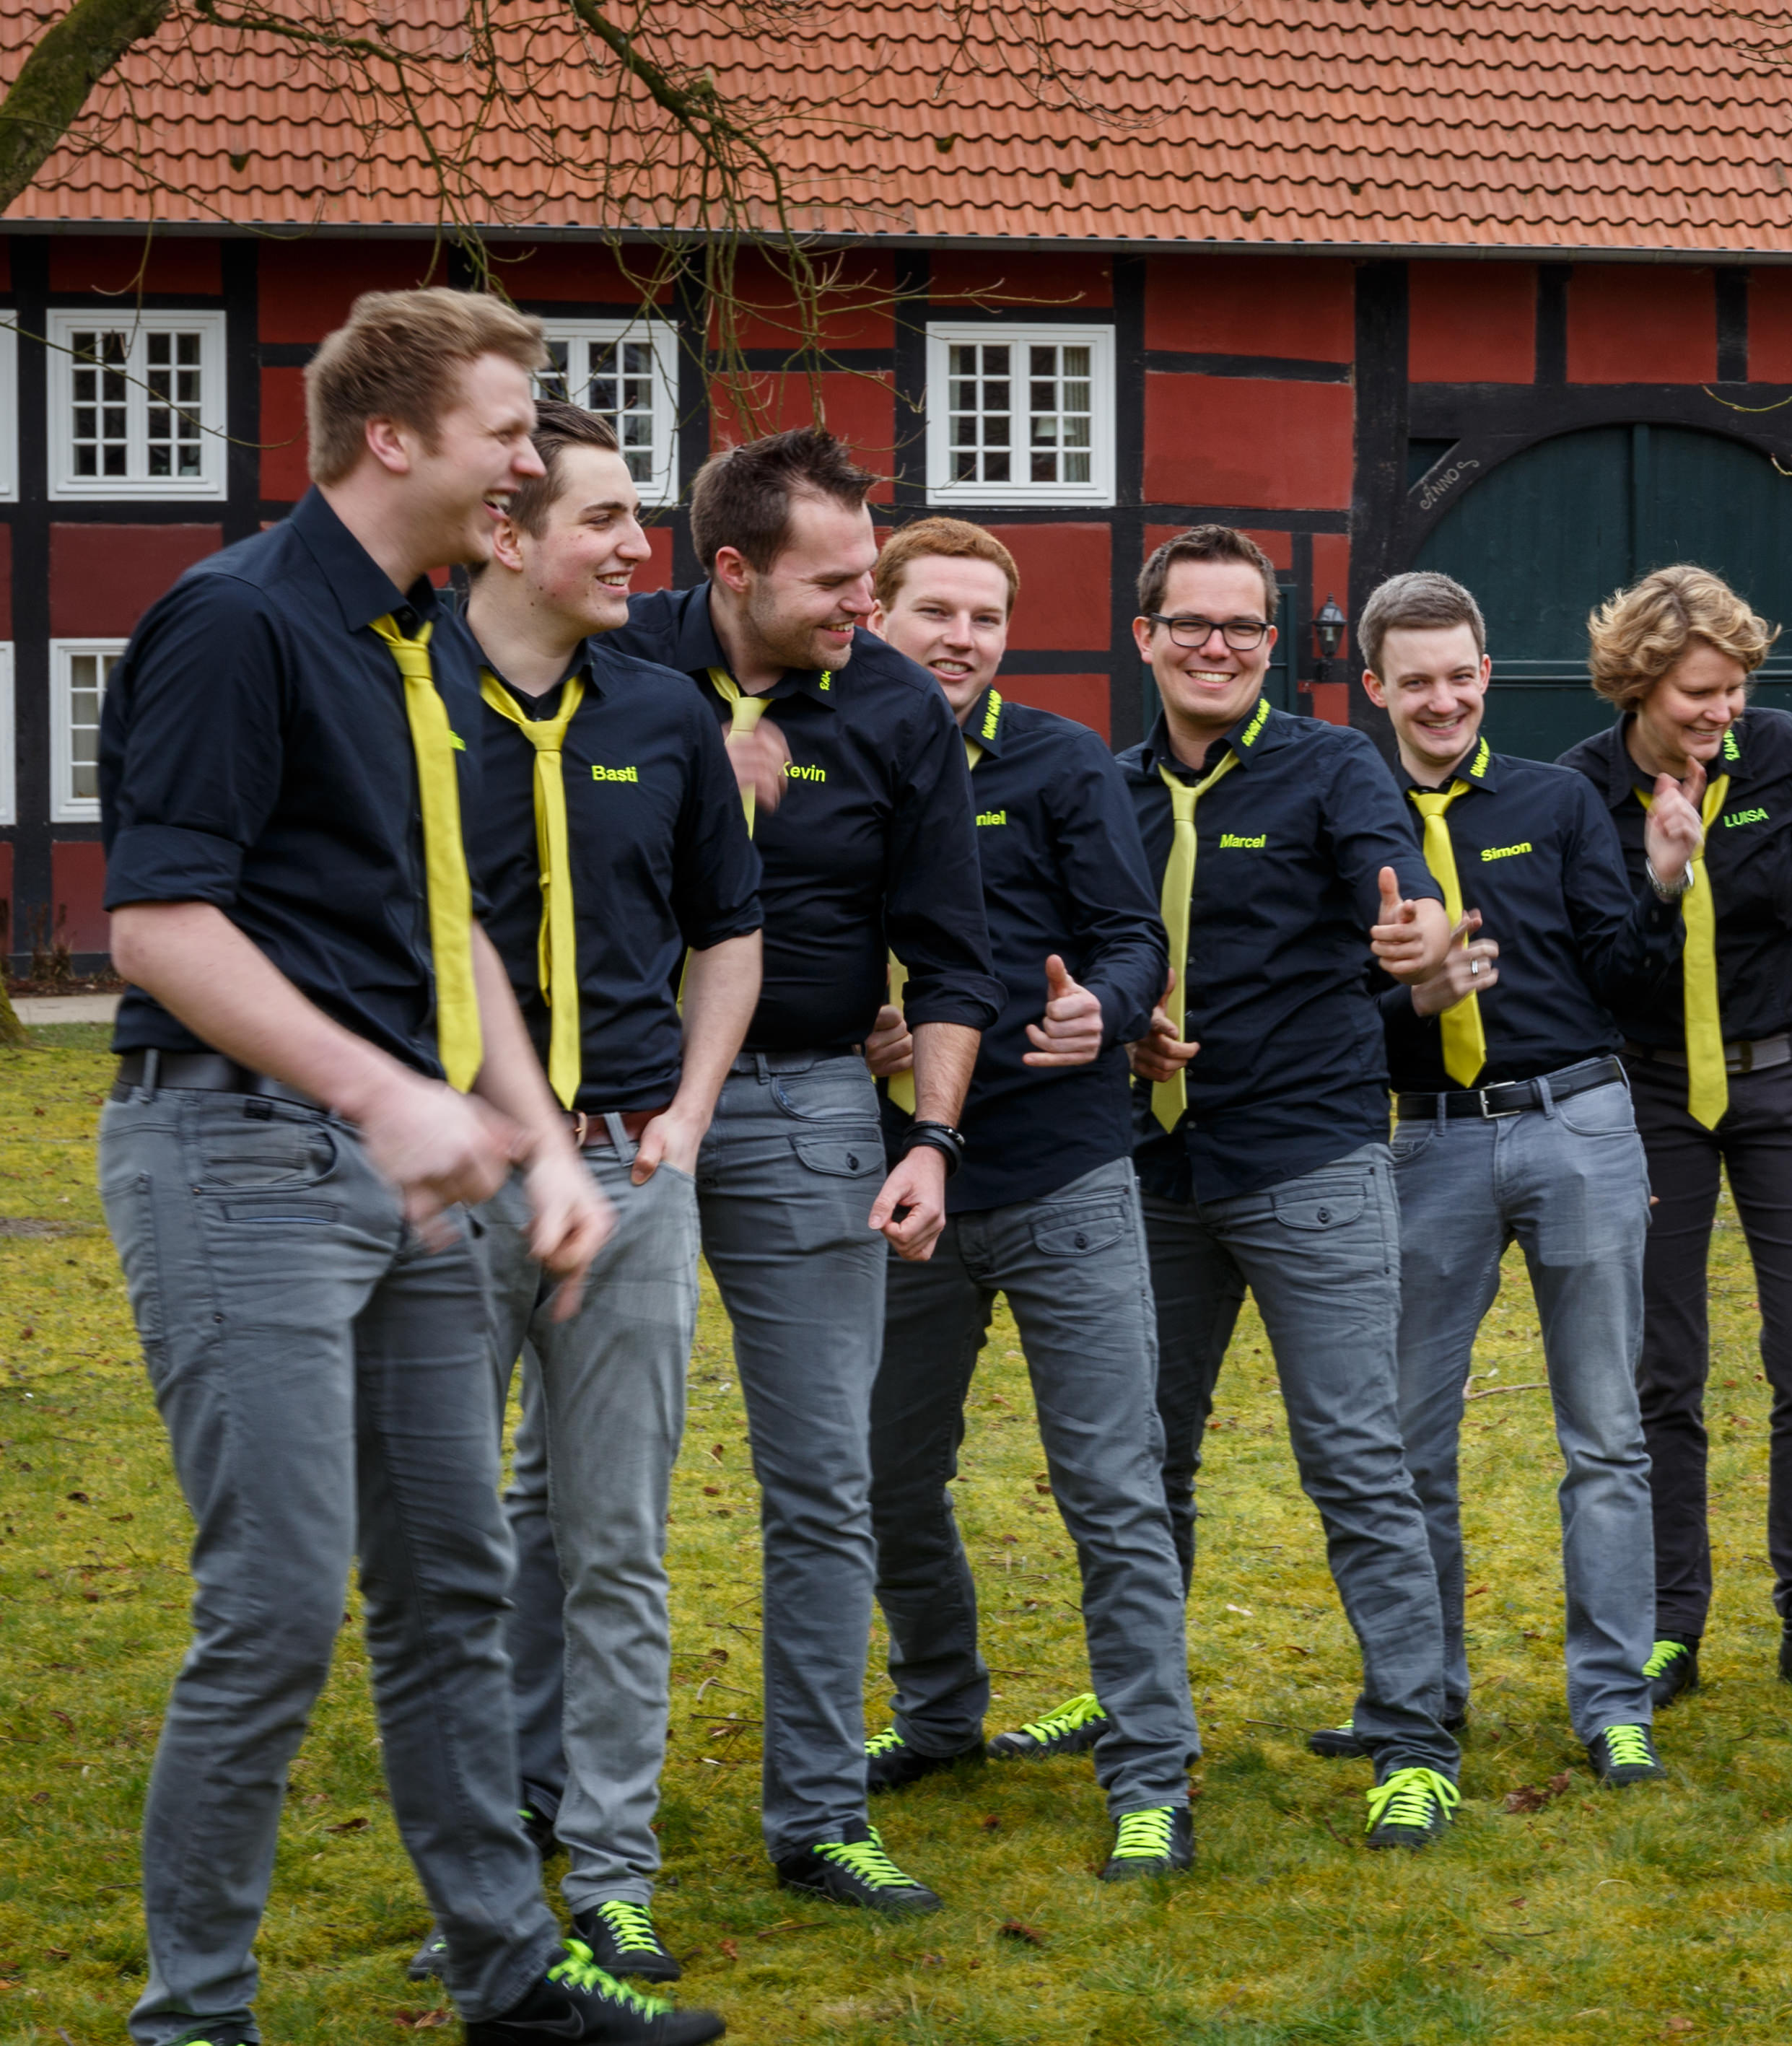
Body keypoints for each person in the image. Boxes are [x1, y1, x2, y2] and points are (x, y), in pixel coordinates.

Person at [99, 287, 720, 2046]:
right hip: (239, 1153)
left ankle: (507, 1973)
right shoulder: (236, 621)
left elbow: (450, 927)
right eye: (508, 429)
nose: (529, 459)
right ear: (395, 438)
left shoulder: (412, 643)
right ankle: (194, 2017)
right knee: (278, 1605)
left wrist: (531, 1136)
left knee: (454, 1584)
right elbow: (159, 926)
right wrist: (390, 1096)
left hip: (413, 1183)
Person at [600, 428, 1001, 1915]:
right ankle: (547, 1798)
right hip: (616, 1109)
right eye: (835, 582)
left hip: (811, 1104)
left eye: (868, 575)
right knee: (580, 1484)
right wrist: (695, 784)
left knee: (826, 1478)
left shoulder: (894, 707)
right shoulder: (613, 664)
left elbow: (952, 951)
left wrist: (933, 1139)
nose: (865, 605)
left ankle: (821, 1814)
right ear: (731, 569)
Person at [447, 399, 764, 1985]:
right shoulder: (403, 700)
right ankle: (482, 1882)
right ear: (506, 533)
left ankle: (615, 1870)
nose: (642, 547)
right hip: (454, 1177)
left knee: (616, 1542)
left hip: (632, 1170)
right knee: (455, 1549)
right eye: (605, 519)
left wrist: (689, 1118)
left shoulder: (665, 711)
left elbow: (731, 928)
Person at [845, 519, 1197, 1882]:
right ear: (875, 614)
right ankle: (940, 1713)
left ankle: (1151, 1773)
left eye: (986, 617)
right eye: (935, 611)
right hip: (889, 1184)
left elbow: (1130, 935)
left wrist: (1103, 1007)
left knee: (1111, 1482)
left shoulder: (1058, 760)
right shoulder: (821, 756)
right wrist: (851, 1030)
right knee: (888, 1477)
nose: (962, 639)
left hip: (1063, 1168)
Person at [1119, 526, 1466, 1849]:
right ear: (1146, 636)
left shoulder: (1332, 767)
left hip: (1309, 1163)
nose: (1216, 648)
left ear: (1274, 646)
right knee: (1145, 1463)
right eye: (1191, 624)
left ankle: (1413, 1737)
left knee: (1355, 1460)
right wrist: (1118, 1020)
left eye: (1243, 628)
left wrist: (1416, 926)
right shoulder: (1108, 786)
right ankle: (1145, 1722)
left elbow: (1399, 881)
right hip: (1154, 1174)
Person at [1342, 569, 1682, 1788]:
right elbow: (1333, 1016)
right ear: (1375, 687)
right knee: (1406, 1441)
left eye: (1460, 677)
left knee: (1605, 1434)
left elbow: (1628, 977)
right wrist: (1413, 997)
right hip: (1428, 1141)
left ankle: (1615, 1699)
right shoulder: (1351, 817)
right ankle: (1420, 1692)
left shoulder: (1559, 799)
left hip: (1576, 1122)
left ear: (1487, 673)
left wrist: (1663, 881)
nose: (1442, 702)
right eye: (1415, 683)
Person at [1558, 566, 1792, 1713]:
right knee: (1663, 1370)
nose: (1724, 711)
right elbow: (1594, 967)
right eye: (1700, 693)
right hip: (1651, 1100)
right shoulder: (1579, 792)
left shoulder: (1783, 753)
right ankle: (1671, 1626)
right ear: (1639, 686)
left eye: (1736, 687)